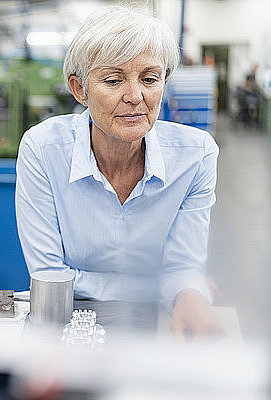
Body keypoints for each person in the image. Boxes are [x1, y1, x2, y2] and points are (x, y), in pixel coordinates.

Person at [15, 5, 223, 341]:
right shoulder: (43, 150)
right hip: (69, 321)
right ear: (79, 89)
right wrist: (168, 285)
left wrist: (188, 294)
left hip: (155, 319)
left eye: (149, 79)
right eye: (113, 80)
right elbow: (50, 276)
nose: (135, 97)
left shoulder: (195, 156)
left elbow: (183, 266)